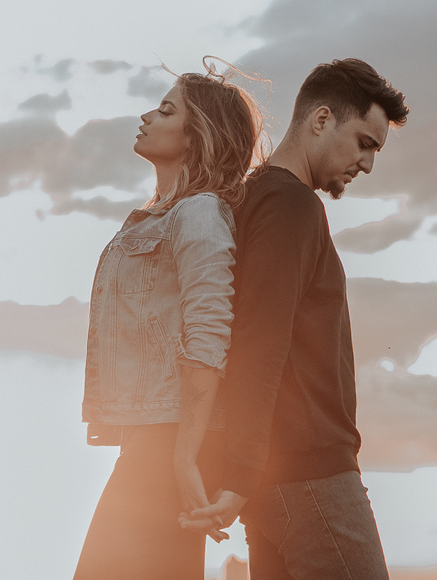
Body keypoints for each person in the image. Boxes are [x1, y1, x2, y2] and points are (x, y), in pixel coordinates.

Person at [181, 58, 409, 580]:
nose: (367, 164)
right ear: (321, 119)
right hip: (311, 475)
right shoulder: (291, 205)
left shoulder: (254, 197)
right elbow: (259, 341)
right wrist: (241, 473)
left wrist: (245, 474)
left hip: (276, 479)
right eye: (364, 143)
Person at [73, 66, 265, 580]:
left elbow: (209, 332)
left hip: (173, 438)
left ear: (196, 135)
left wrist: (184, 458)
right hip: (154, 434)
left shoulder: (200, 212)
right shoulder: (162, 215)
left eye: (165, 110)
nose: (146, 117)